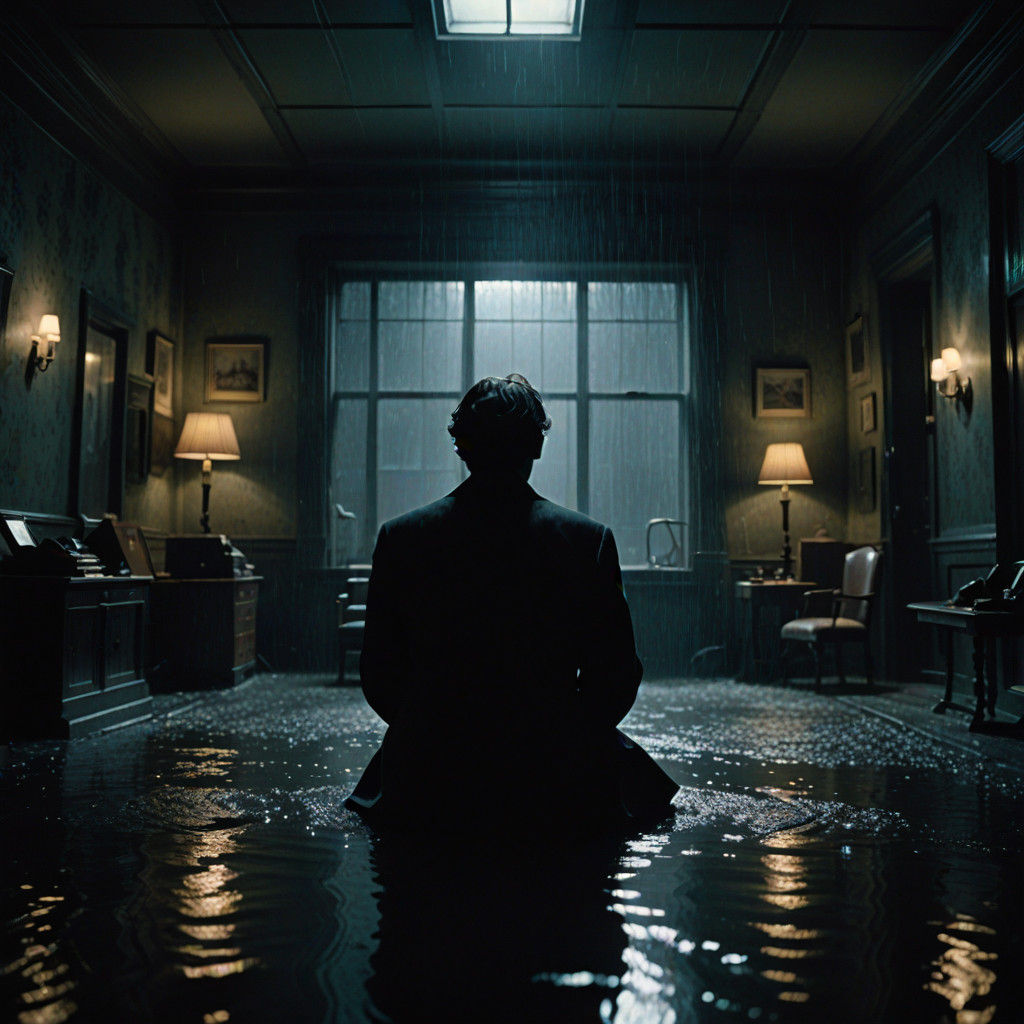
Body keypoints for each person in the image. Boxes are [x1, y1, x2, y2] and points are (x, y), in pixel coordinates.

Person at [345, 374, 677, 832]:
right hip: (551, 767)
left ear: (460, 446)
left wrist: (436, 729)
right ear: (536, 447)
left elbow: (379, 674)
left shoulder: (402, 538)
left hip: (432, 766)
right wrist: (562, 735)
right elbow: (616, 676)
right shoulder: (586, 542)